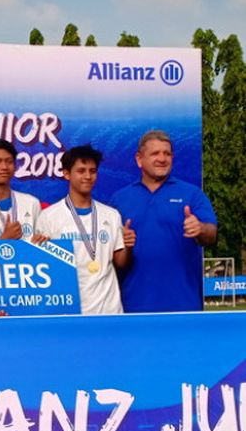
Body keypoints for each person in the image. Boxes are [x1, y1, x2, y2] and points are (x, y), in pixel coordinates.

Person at [110, 130, 217, 312]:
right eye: (155, 153)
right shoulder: (119, 200)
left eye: (167, 153)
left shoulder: (192, 194)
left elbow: (211, 235)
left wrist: (200, 228)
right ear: (139, 159)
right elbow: (111, 255)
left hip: (184, 305)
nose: (162, 158)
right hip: (133, 307)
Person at [36, 145, 135, 315]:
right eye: (81, 171)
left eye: (92, 171)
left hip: (108, 310)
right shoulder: (48, 217)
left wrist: (128, 246)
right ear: (67, 174)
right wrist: (38, 249)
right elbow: (43, 269)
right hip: (69, 312)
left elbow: (121, 262)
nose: (88, 176)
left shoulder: (111, 215)